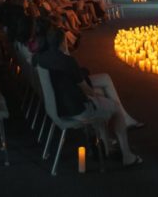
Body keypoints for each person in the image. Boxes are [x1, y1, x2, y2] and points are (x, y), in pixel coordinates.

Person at [34, 27, 142, 167]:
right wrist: (97, 96)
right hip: (77, 110)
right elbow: (87, 90)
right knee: (115, 108)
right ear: (62, 43)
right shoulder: (67, 61)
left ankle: (107, 146)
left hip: (57, 107)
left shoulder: (40, 58)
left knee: (103, 101)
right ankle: (127, 156)